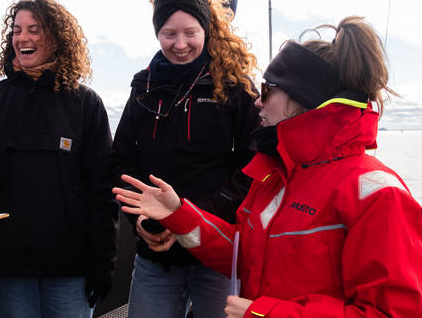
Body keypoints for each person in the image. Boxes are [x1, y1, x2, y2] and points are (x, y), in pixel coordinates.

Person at [113, 16, 422, 317]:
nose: (258, 103)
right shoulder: (275, 178)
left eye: (268, 91)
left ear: (304, 100)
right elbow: (242, 256)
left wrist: (263, 313)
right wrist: (178, 213)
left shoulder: (376, 194)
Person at [110, 0, 260, 318]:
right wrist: (144, 223)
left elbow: (254, 167)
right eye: (168, 34)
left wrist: (189, 220)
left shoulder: (236, 86)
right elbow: (121, 162)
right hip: (155, 255)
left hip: (215, 252)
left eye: (191, 33)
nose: (180, 45)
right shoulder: (144, 88)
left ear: (206, 29)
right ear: (157, 33)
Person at [0, 0, 118, 318]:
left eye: (35, 29)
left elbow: (102, 192)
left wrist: (103, 263)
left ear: (57, 38)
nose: (23, 38)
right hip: (8, 271)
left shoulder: (85, 104)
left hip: (71, 271)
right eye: (17, 30)